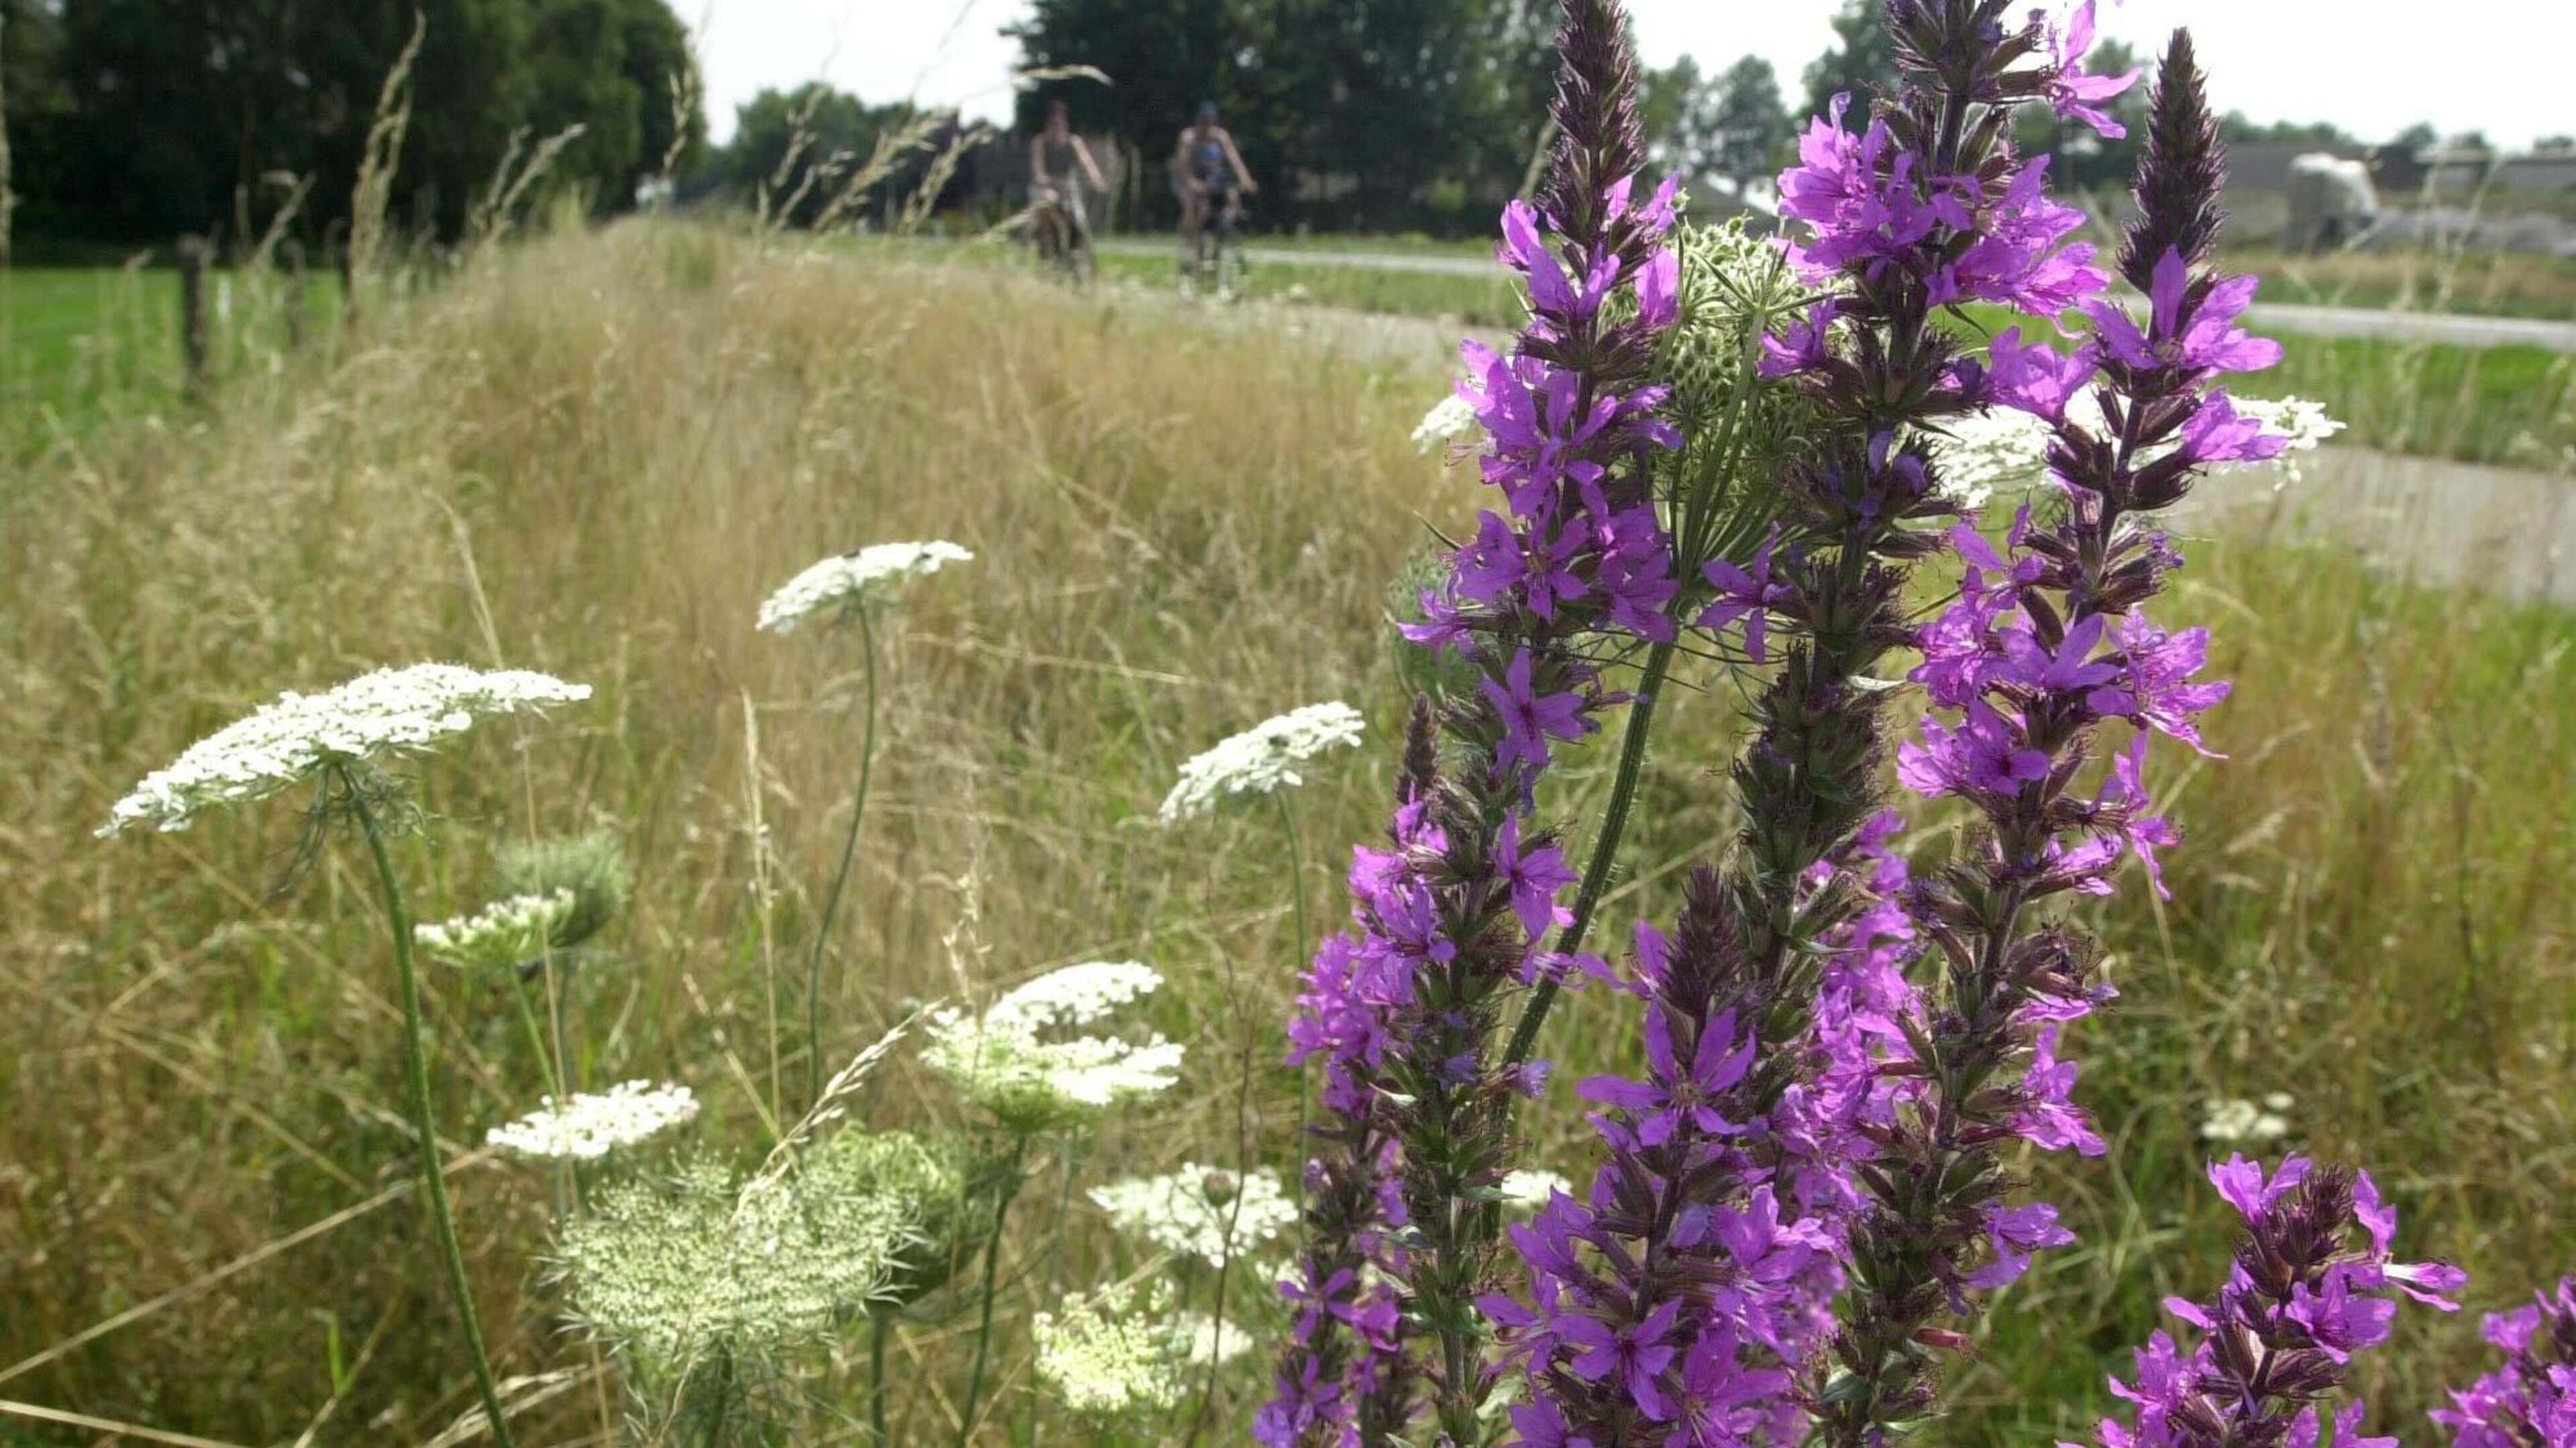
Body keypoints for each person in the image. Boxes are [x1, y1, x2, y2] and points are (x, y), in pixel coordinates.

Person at [1172, 101, 1257, 274]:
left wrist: (1246, 180)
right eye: (1203, 121)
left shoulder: (1220, 137)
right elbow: (1183, 165)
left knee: (1232, 197)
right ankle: (1192, 246)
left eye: (1210, 121)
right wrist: (1191, 182)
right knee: (1197, 209)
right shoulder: (1188, 138)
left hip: (1212, 180)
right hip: (1187, 181)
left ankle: (1222, 233)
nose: (1206, 126)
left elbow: (1235, 160)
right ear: (1198, 121)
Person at [1030, 100, 1108, 264]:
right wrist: (1042, 178)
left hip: (1067, 186)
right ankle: (1043, 246)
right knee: (1045, 209)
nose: (1057, 128)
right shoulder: (1041, 142)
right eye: (1053, 124)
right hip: (1047, 185)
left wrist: (1096, 179)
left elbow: (1087, 162)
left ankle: (1075, 253)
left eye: (1060, 123)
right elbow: (1038, 167)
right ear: (1047, 125)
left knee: (1079, 221)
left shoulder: (1074, 142)